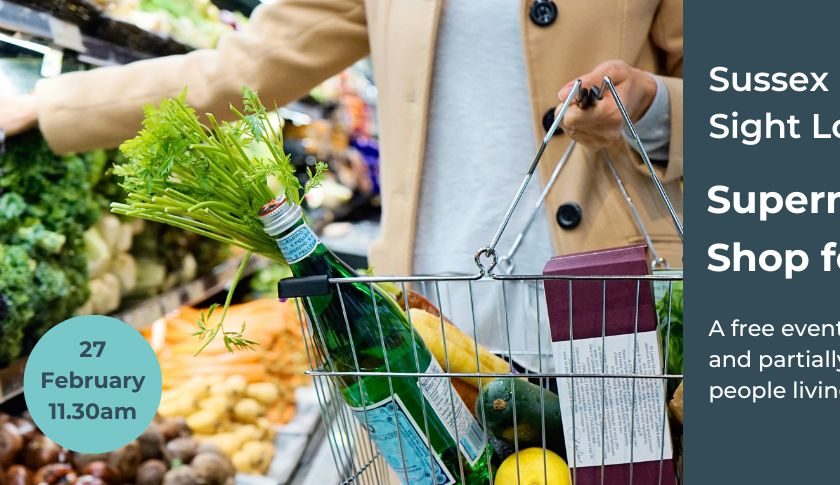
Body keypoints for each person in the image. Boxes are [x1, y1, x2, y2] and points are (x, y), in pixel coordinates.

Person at [0, 0, 683, 370]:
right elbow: (238, 69)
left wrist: (651, 108)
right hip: (430, 312)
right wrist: (54, 105)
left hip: (615, 304)